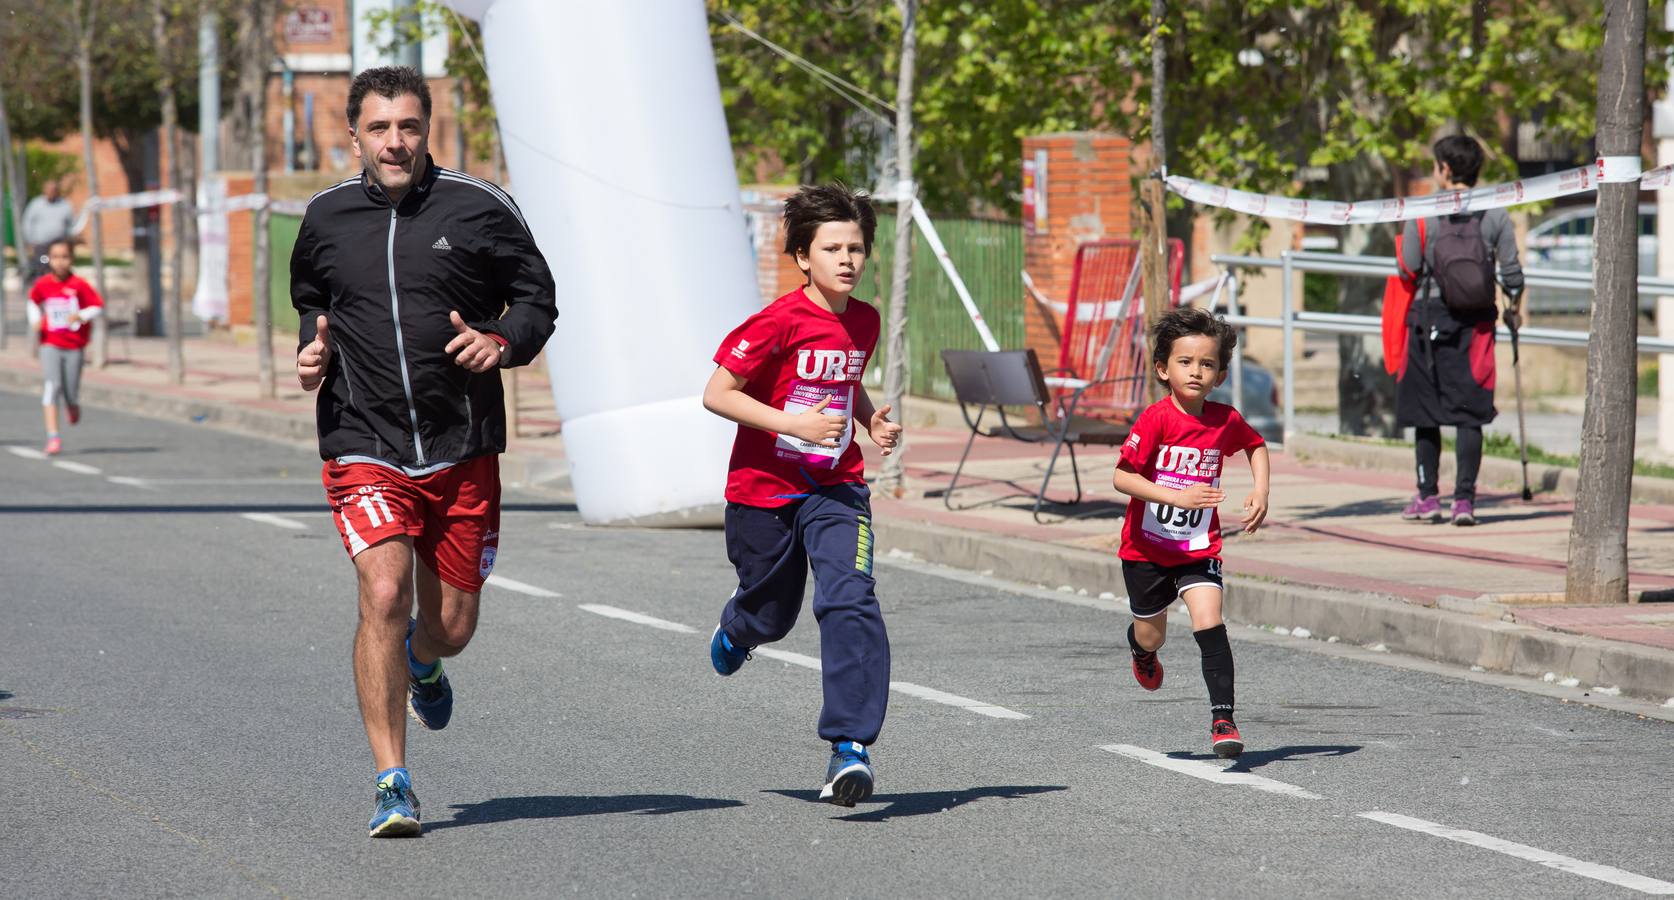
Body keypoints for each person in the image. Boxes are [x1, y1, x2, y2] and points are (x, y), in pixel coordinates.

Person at [290, 66, 557, 837]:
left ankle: (424, 658)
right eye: (379, 128)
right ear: (355, 137)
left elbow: (538, 298)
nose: (394, 141)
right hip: (361, 435)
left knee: (454, 626)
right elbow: (312, 295)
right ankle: (392, 780)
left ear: (426, 129)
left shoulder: (479, 207)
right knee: (382, 590)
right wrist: (311, 350)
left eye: (408, 126)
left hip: (460, 444)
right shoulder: (327, 216)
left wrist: (501, 339)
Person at [701, 184, 903, 807]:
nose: (848, 259)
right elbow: (718, 394)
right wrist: (794, 425)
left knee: (850, 597)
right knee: (775, 612)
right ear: (803, 258)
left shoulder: (863, 320)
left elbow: (847, 381)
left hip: (836, 486)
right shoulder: (776, 322)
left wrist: (870, 421)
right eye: (833, 248)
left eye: (858, 248)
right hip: (764, 491)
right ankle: (742, 626)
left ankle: (850, 746)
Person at [1112, 306, 1269, 759]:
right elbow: (1122, 477)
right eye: (1185, 362)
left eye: (1207, 363)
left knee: (1210, 622)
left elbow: (1256, 446)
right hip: (1145, 551)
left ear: (1220, 373)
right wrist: (1172, 496)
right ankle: (1141, 652)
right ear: (1163, 369)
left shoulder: (1225, 420)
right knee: (1152, 635)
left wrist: (1261, 491)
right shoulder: (1156, 419)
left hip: (1199, 548)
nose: (1196, 371)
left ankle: (1223, 719)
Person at [1397, 135, 1524, 527]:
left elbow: (1409, 267)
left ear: (1445, 170)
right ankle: (1465, 502)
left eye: (1436, 166)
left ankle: (1427, 497)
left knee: (1427, 413)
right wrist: (1513, 307)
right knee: (1470, 414)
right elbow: (1513, 275)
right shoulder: (1496, 213)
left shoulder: (1424, 211)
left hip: (1428, 320)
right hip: (1478, 323)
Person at [26, 238, 102, 456]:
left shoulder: (79, 285)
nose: (60, 262)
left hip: (74, 345)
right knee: (52, 386)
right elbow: (32, 301)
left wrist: (81, 315)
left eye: (64, 257)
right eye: (55, 257)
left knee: (70, 389)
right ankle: (53, 437)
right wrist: (36, 320)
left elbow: (97, 306)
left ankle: (72, 404)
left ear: (71, 259)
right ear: (49, 259)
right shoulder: (43, 284)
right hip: (50, 342)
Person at [21, 179, 76, 282]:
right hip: (41, 245)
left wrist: (69, 241)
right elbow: (27, 223)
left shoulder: (64, 205)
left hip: (58, 244)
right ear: (44, 190)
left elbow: (71, 224)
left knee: (58, 267)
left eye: (54, 190)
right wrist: (30, 240)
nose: (52, 192)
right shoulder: (36, 204)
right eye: (49, 190)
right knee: (42, 266)